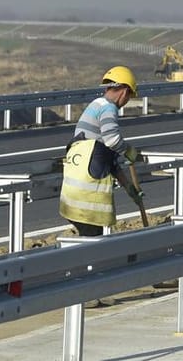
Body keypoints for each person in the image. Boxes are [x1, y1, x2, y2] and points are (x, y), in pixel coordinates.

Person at [59, 66, 143, 237]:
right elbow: (112, 140)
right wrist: (128, 151)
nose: (126, 101)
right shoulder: (108, 108)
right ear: (125, 92)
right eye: (129, 96)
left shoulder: (95, 106)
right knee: (91, 246)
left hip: (71, 199)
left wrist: (130, 189)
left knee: (90, 241)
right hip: (87, 201)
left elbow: (109, 162)